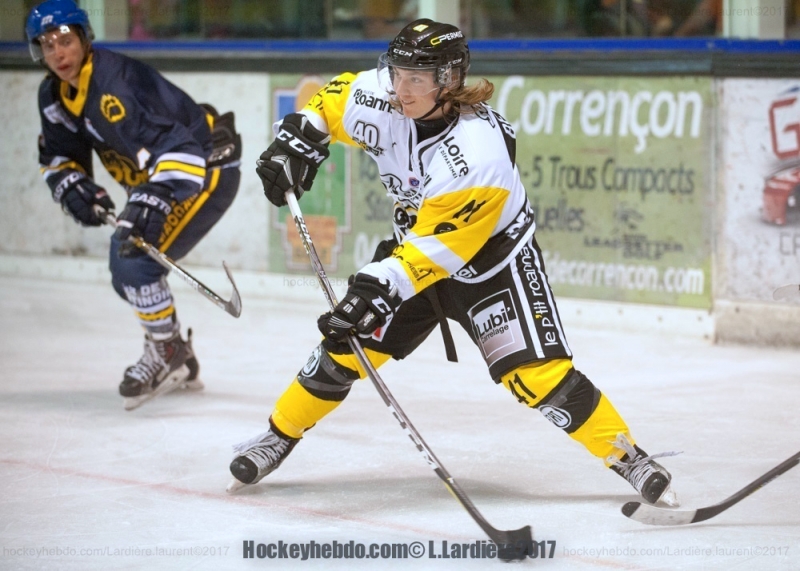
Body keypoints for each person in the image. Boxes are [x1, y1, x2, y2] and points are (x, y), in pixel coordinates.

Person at [230, 18, 679, 507]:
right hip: (413, 248)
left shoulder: (478, 153)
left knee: (539, 378)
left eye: (416, 79)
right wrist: (302, 134)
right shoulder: (383, 93)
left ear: (449, 79)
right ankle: (279, 434)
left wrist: (374, 290)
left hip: (490, 266)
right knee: (344, 349)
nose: (401, 89)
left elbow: (440, 251)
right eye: (397, 73)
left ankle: (628, 457)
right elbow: (334, 98)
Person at [26, 0, 241, 407]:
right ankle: (175, 351)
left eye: (65, 41)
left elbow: (181, 147)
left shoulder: (113, 86)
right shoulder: (54, 94)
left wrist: (152, 198)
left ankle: (169, 354)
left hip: (205, 169)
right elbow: (59, 156)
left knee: (133, 262)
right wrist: (73, 186)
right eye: (47, 45)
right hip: (160, 176)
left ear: (85, 39)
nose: (58, 53)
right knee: (125, 273)